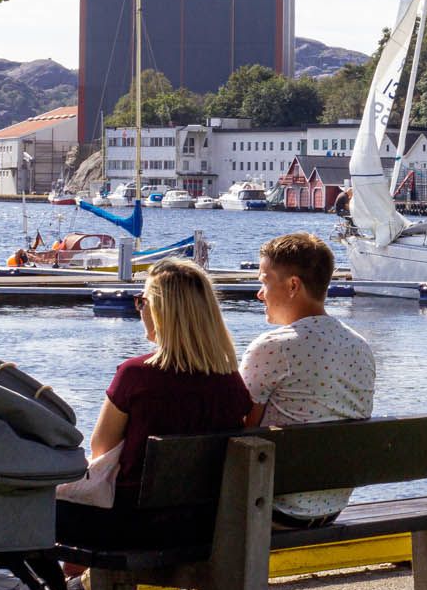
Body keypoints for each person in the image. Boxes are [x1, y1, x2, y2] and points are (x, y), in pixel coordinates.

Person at [55, 258, 255, 552]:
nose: (140, 309)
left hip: (132, 525)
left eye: (143, 301)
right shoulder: (231, 383)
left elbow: (101, 449)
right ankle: (79, 586)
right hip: (203, 526)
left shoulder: (136, 375)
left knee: (29, 507)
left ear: (162, 311)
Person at [241, 231, 377, 527]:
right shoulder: (359, 346)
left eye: (264, 281)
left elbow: (241, 428)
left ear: (293, 285)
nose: (259, 294)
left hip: (277, 507)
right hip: (331, 506)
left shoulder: (273, 347)